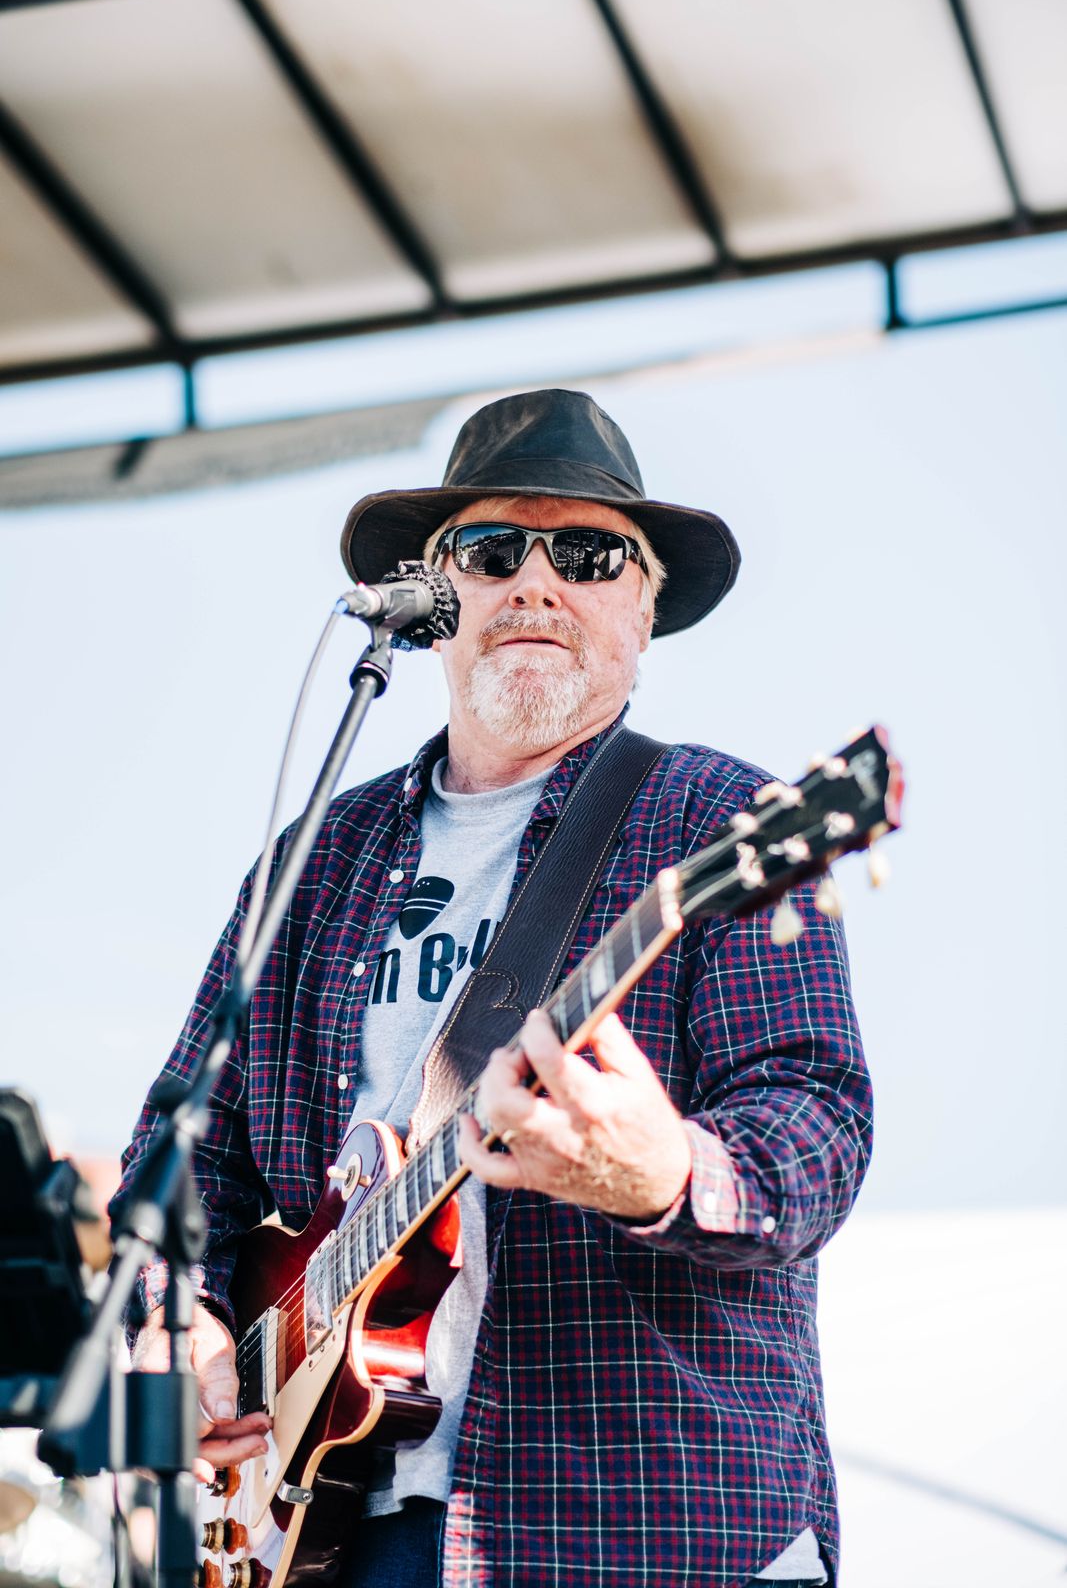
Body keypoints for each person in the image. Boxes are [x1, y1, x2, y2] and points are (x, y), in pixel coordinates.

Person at [112, 389, 871, 1588]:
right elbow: (185, 1157)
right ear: (432, 598)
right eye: (489, 549)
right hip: (323, 1533)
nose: (535, 583)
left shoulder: (721, 820)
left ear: (642, 607)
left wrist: (667, 1173)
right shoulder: (312, 862)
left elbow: (814, 1121)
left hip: (644, 1522)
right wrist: (180, 1331)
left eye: (587, 556)